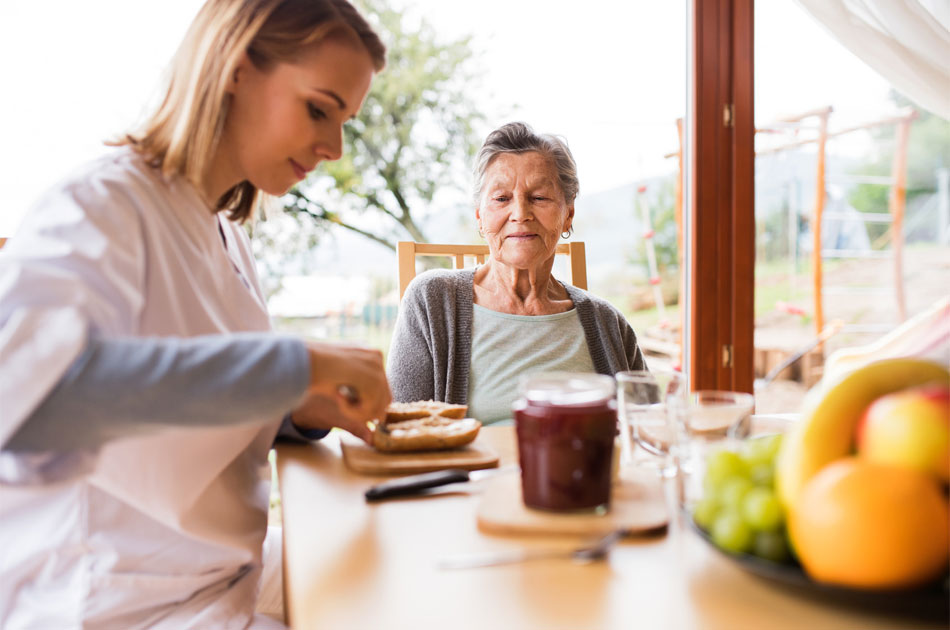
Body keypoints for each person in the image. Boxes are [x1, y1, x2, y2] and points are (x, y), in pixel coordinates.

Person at [0, 1, 390, 628]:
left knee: (402, 570)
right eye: (319, 109)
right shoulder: (100, 208)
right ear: (236, 69)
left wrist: (296, 406)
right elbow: (28, 404)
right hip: (122, 604)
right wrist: (292, 365)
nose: (334, 147)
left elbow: (193, 390)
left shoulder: (224, 233)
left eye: (343, 120)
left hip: (224, 573)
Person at [388, 122, 647, 424]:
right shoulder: (430, 301)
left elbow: (648, 432)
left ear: (569, 214)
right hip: (473, 472)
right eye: (501, 199)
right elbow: (402, 430)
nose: (520, 213)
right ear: (479, 215)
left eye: (539, 197)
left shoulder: (608, 323)